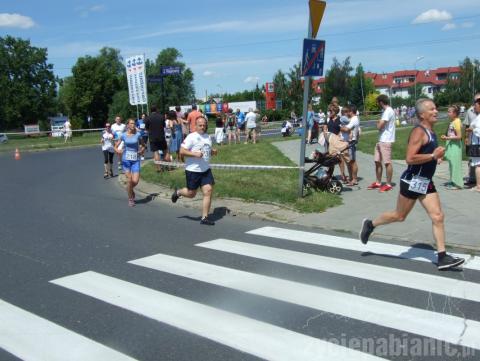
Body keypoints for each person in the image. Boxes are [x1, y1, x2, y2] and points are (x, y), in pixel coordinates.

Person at [360, 98, 465, 270]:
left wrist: (434, 158)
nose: (436, 111)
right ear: (422, 114)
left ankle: (442, 257)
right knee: (399, 216)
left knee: (438, 216)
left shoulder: (431, 131)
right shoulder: (419, 132)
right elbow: (409, 158)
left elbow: (427, 154)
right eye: (432, 109)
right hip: (412, 181)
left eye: (436, 108)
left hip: (425, 181)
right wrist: (432, 156)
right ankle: (370, 224)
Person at [171, 117, 217, 225]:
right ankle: (178, 192)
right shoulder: (191, 137)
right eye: (200, 125)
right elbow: (182, 151)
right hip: (193, 170)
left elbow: (206, 150)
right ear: (195, 126)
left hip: (205, 169)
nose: (202, 127)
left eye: (204, 125)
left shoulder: (207, 137)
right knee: (191, 194)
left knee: (208, 191)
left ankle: (204, 217)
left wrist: (212, 151)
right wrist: (194, 154)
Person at [367, 94, 396, 192]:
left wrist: (378, 123)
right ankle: (378, 182)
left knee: (387, 163)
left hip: (386, 140)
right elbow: (381, 124)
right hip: (381, 140)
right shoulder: (386, 111)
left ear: (381, 102)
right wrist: (379, 123)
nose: (378, 104)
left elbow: (379, 126)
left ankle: (388, 184)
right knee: (377, 161)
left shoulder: (388, 111)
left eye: (378, 102)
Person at [114, 118, 145, 207]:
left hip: (135, 160)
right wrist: (117, 150)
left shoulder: (138, 135)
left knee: (135, 181)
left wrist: (141, 150)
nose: (133, 125)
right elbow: (116, 146)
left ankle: (129, 188)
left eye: (134, 123)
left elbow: (143, 145)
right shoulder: (123, 135)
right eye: (131, 123)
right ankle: (131, 199)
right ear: (127, 125)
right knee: (129, 179)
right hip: (126, 159)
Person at [441, 105, 463, 190]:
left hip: (455, 146)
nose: (448, 113)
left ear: (455, 113)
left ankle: (458, 184)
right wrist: (446, 136)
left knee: (455, 164)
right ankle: (453, 180)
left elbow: (459, 136)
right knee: (451, 163)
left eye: (449, 112)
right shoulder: (453, 121)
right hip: (451, 144)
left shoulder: (457, 122)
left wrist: (447, 138)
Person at [145, 105, 170, 172]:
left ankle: (159, 168)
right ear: (156, 109)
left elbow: (146, 129)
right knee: (165, 151)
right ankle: (168, 167)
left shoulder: (148, 118)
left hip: (152, 137)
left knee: (156, 153)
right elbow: (164, 126)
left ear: (151, 110)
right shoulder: (161, 116)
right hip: (161, 136)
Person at [463, 93, 480, 186]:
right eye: (476, 100)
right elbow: (467, 124)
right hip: (472, 139)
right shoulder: (470, 111)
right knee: (472, 159)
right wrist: (466, 137)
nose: (477, 102)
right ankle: (472, 177)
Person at [341, 105, 360, 186]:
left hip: (351, 142)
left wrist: (340, 127)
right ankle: (352, 178)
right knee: (351, 161)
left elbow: (346, 129)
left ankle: (354, 179)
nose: (347, 113)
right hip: (351, 141)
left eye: (348, 111)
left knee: (352, 161)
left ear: (351, 112)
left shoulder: (354, 119)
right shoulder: (354, 119)